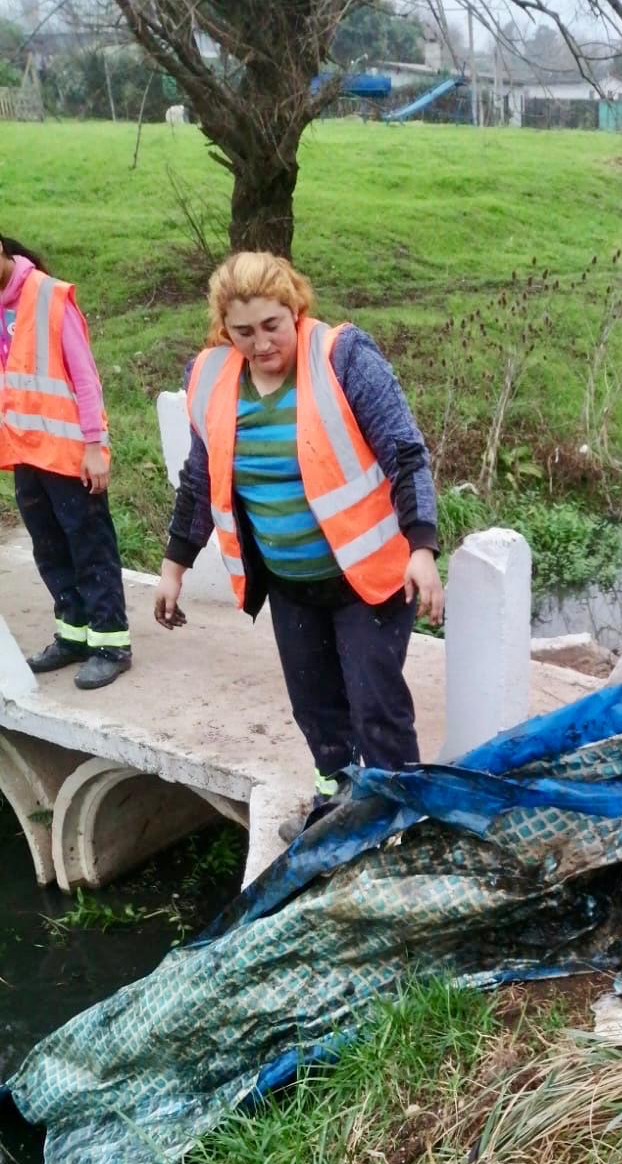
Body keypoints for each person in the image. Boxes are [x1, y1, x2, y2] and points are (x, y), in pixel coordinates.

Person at [155, 252, 443, 834]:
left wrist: (422, 547)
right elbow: (200, 477)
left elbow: (405, 452)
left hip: (370, 579)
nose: (261, 344)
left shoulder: (343, 358)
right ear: (224, 329)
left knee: (375, 707)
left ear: (295, 309)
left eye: (272, 325)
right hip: (289, 583)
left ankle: (396, 822)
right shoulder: (211, 379)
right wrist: (173, 566)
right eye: (243, 331)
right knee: (316, 706)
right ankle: (336, 806)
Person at [0, 231, 131, 689]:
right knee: (50, 549)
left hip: (72, 454)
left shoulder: (50, 297)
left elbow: (85, 378)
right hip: (25, 453)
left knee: (89, 546)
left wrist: (95, 448)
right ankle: (73, 634)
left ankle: (111, 643)